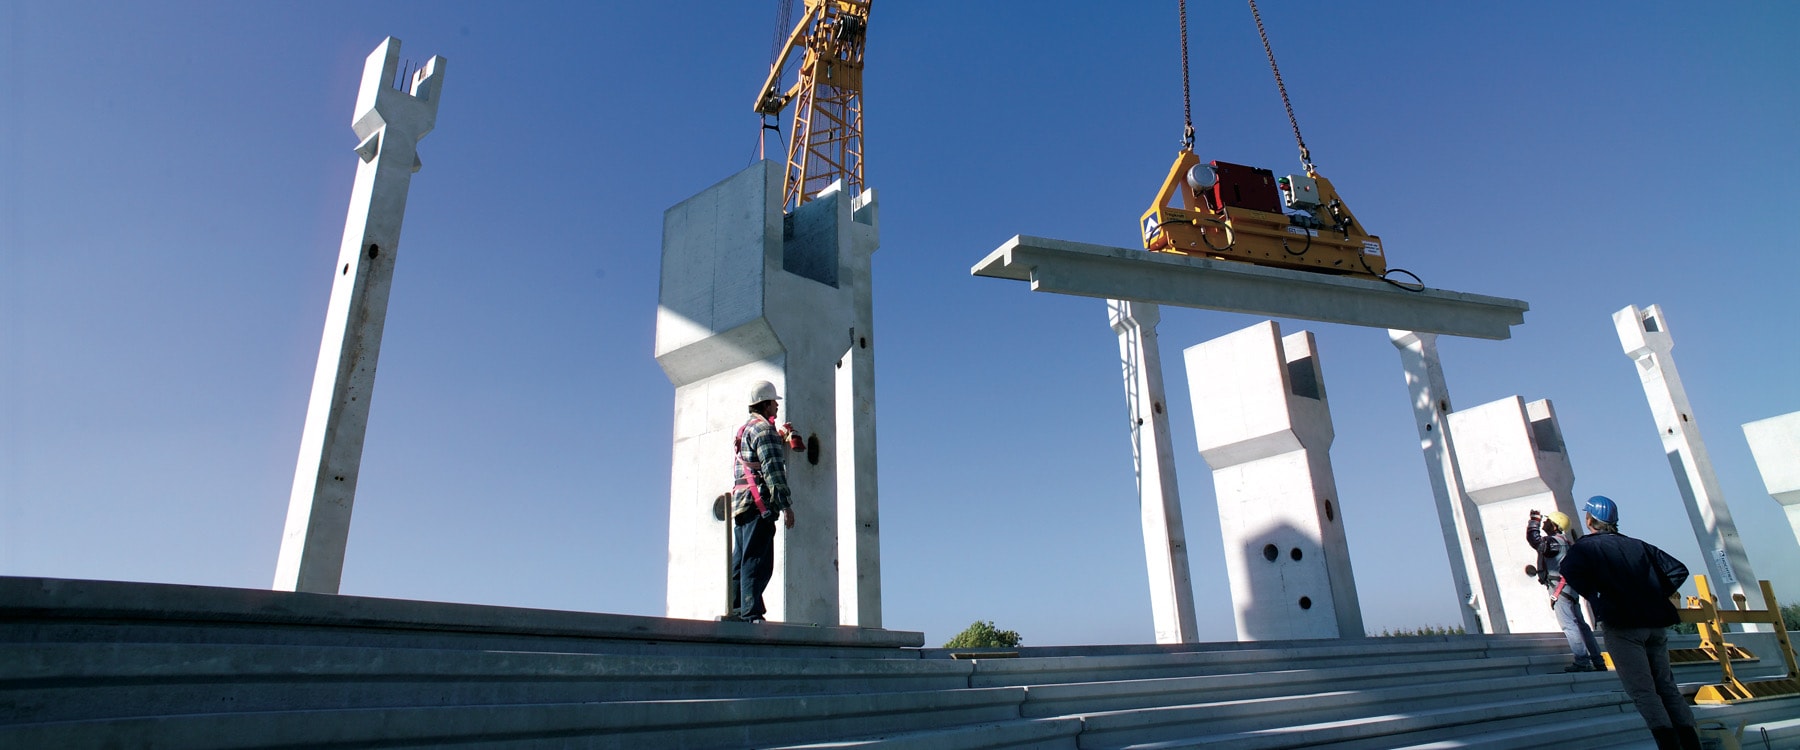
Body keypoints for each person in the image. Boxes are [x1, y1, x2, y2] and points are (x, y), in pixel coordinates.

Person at [1559, 495, 1700, 750]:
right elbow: (1678, 570)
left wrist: (1599, 596)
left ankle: (1669, 745)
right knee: (1666, 687)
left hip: (1623, 626)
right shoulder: (1638, 545)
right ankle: (1691, 744)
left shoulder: (1585, 548)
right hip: (1655, 624)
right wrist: (1653, 594)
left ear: (1589, 519)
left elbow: (1569, 572)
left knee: (1643, 691)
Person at [722, 380, 798, 623]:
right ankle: (751, 614)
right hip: (759, 506)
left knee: (741, 559)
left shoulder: (744, 430)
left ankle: (736, 608)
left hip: (742, 505)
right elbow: (773, 470)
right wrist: (786, 506)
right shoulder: (764, 431)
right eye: (774, 402)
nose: (777, 406)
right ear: (766, 404)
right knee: (757, 561)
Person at [1526, 509, 1605, 672]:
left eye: (1547, 521)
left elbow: (1535, 541)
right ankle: (1598, 660)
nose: (1544, 524)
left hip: (1559, 589)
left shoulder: (1553, 542)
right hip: (1570, 588)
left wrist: (1534, 521)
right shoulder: (1567, 542)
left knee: (1569, 625)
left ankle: (1582, 660)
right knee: (1581, 625)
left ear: (1555, 526)